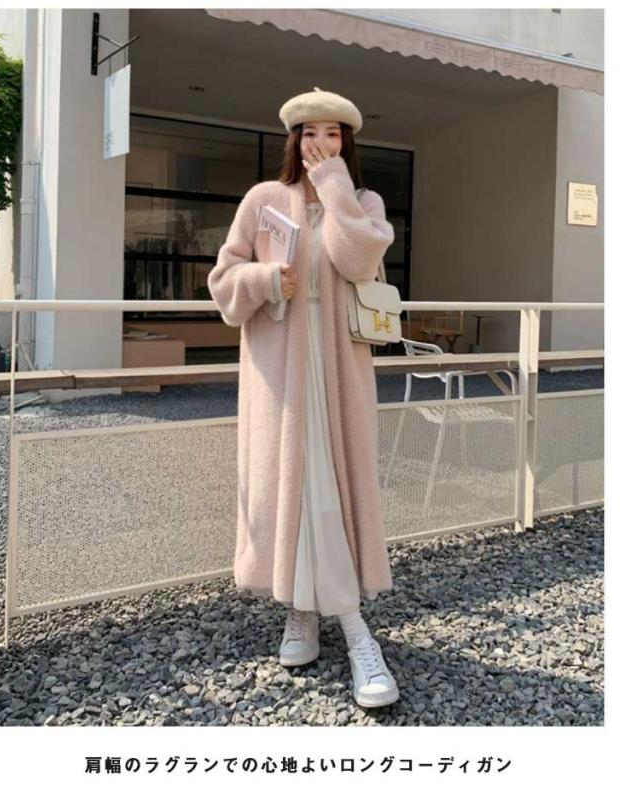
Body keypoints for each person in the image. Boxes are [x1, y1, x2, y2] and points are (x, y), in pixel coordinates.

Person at [208, 87, 398, 707]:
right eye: (310, 133)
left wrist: (335, 187)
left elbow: (359, 261)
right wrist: (267, 279)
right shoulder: (263, 199)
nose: (321, 143)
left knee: (330, 490)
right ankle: (302, 612)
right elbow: (223, 279)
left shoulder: (363, 202)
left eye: (333, 133)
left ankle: (355, 630)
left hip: (338, 373)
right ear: (294, 139)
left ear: (347, 143)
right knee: (295, 490)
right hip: (282, 374)